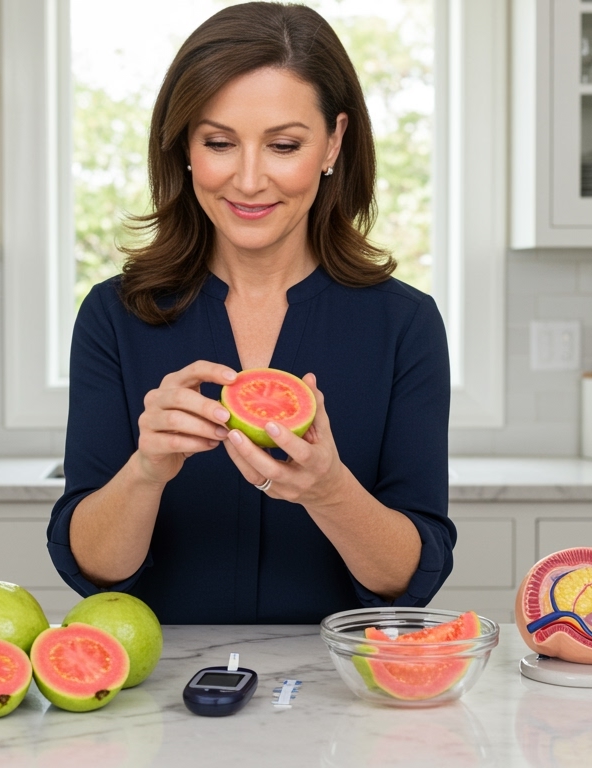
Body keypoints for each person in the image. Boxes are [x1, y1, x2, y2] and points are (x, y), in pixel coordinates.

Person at [47, 2, 453, 624]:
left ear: (333, 142)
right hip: (163, 697)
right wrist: (146, 471)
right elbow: (95, 572)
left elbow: (410, 579)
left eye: (284, 145)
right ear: (185, 145)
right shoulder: (113, 316)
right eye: (218, 143)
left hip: (340, 695)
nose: (249, 179)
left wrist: (329, 489)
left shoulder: (405, 325)